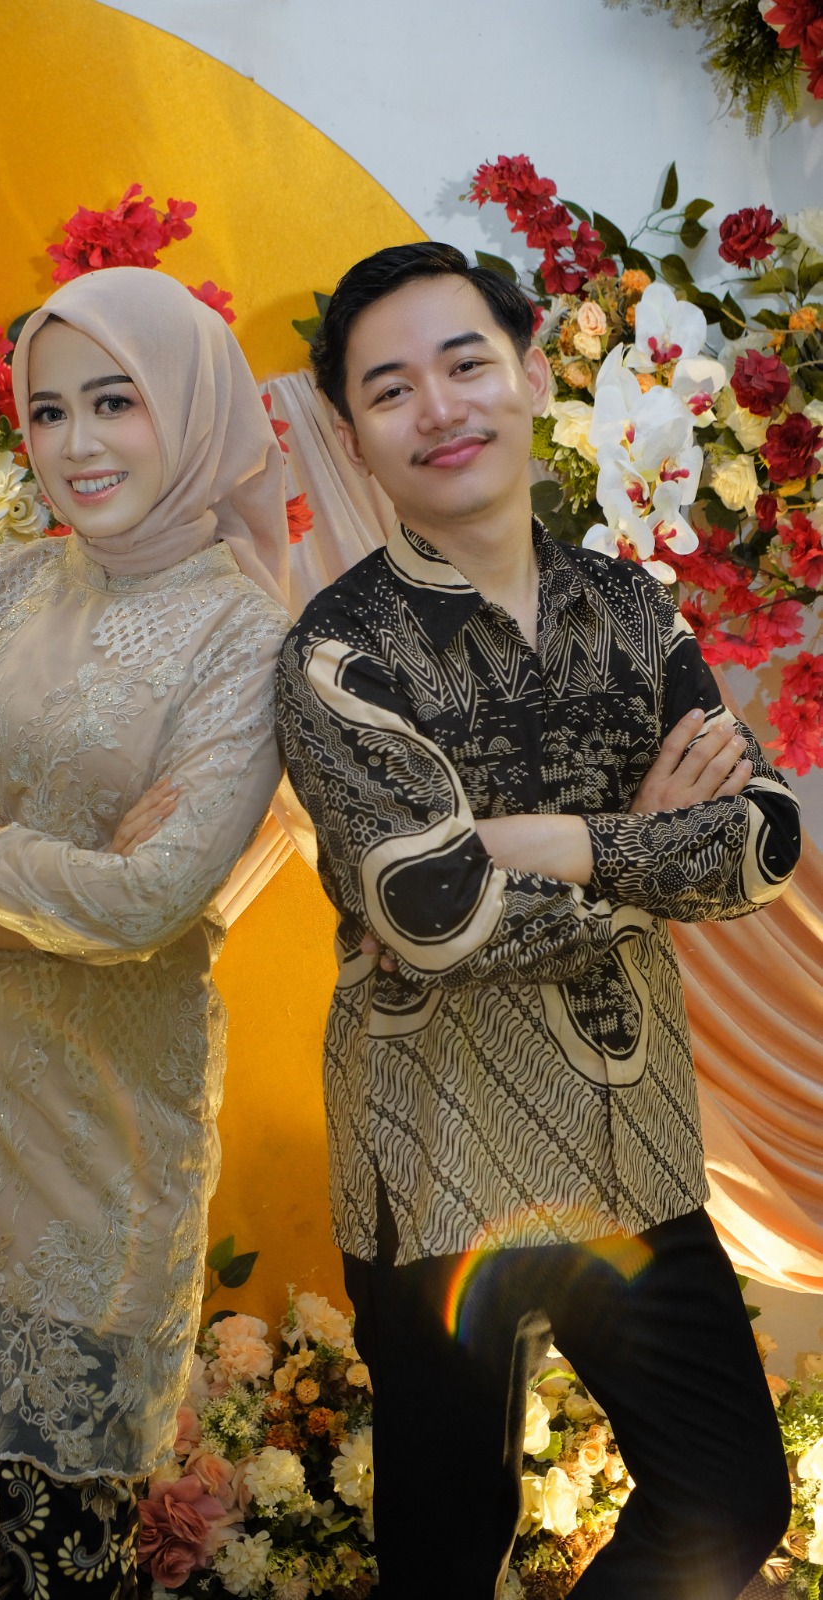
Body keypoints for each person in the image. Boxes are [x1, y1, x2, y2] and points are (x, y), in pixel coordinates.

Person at [274, 241, 801, 1600]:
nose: (439, 408)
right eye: (391, 388)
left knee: (728, 1500)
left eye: (465, 364)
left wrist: (551, 841)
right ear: (352, 432)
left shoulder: (628, 607)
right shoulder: (337, 654)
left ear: (525, 374)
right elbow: (433, 915)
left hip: (632, 1135)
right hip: (432, 1158)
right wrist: (641, 843)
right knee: (447, 1553)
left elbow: (761, 841)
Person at [0, 266, 290, 1599]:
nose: (77, 443)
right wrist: (30, 894)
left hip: (96, 1147)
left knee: (59, 1552)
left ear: (191, 408)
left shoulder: (247, 639)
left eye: (115, 402)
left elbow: (144, 905)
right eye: (48, 410)